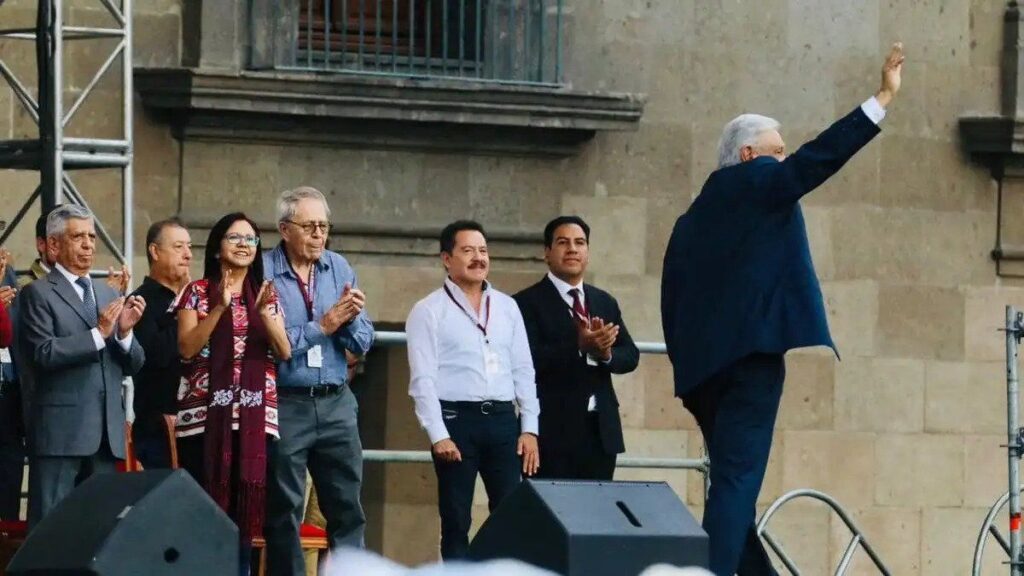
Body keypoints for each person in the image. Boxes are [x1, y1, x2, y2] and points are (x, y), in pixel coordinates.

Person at [659, 44, 905, 576]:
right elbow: (816, 160)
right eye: (776, 150)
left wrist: (687, 372)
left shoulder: (691, 218)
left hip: (703, 374)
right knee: (733, 485)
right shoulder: (759, 182)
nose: (783, 156)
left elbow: (670, 297)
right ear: (749, 155)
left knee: (732, 487)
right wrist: (880, 99)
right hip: (750, 364)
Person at [406, 220, 540, 560]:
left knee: (511, 516)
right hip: (456, 421)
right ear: (447, 259)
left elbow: (524, 370)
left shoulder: (508, 307)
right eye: (468, 251)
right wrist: (438, 435)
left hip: (502, 420)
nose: (478, 258)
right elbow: (423, 380)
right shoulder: (427, 310)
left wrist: (529, 429)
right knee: (456, 520)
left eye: (483, 251)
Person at [262, 187, 374, 576]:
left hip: (336, 400)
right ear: (284, 229)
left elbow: (363, 341)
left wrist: (351, 318)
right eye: (308, 226)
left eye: (323, 226)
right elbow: (274, 345)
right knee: (284, 510)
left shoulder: (338, 268)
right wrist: (323, 324)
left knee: (347, 509)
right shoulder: (263, 272)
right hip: (285, 400)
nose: (318, 234)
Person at [175, 212, 291, 575]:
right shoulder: (196, 292)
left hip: (256, 420)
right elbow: (187, 349)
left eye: (251, 239)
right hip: (204, 420)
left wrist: (265, 316)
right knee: (206, 512)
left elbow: (285, 352)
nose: (244, 245)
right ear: (217, 247)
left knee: (245, 518)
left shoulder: (267, 294)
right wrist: (221, 307)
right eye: (235, 238)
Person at [18, 204, 146, 528]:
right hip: (61, 434)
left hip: (105, 434)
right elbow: (42, 353)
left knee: (95, 532)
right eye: (78, 237)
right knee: (50, 531)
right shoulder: (37, 293)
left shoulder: (106, 293)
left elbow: (134, 363)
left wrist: (125, 333)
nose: (89, 244)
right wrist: (99, 333)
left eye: (92, 236)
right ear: (54, 244)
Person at [513, 216, 639, 480]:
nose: (572, 249)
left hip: (600, 431)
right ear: (547, 252)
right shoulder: (524, 304)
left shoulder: (604, 301)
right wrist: (577, 346)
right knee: (550, 515)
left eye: (580, 243)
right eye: (563, 242)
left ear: (588, 252)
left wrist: (606, 355)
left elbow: (631, 355)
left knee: (596, 515)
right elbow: (526, 361)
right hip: (551, 431)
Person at [129, 218, 193, 469]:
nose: (187, 255)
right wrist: (186, 308)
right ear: (155, 252)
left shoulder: (194, 297)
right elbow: (157, 354)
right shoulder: (139, 301)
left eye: (189, 247)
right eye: (178, 247)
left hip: (195, 424)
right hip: (158, 428)